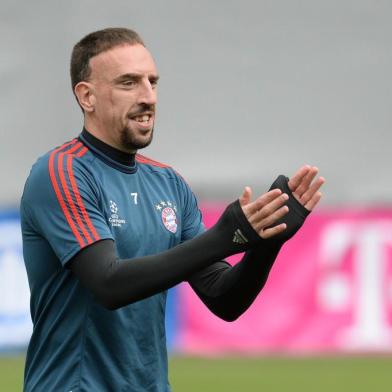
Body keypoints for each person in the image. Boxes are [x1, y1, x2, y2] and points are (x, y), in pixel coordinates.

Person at [20, 27, 324, 391]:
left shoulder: (168, 184)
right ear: (87, 96)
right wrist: (227, 235)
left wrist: (265, 240)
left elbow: (225, 298)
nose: (148, 96)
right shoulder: (62, 171)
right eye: (128, 83)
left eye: (153, 82)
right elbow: (108, 283)